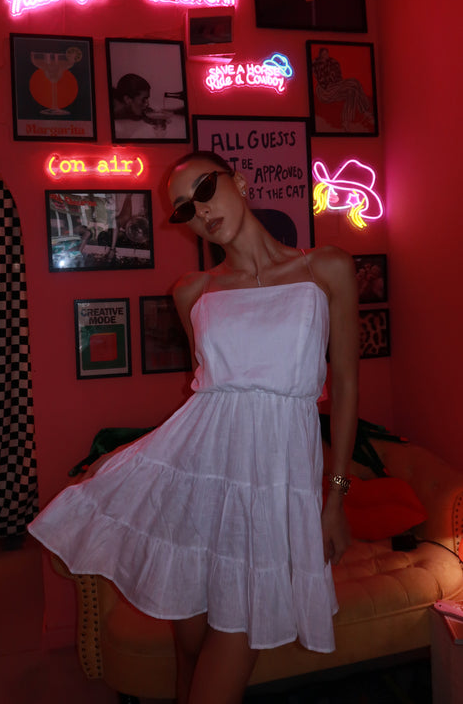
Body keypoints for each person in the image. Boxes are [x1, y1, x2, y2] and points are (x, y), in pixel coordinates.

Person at [28, 150, 359, 704]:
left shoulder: (324, 269)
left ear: (242, 181)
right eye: (184, 209)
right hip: (199, 494)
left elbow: (346, 384)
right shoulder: (193, 291)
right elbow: (211, 402)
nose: (200, 212)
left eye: (205, 190)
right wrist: (133, 465)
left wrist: (335, 495)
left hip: (269, 498)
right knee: (188, 653)